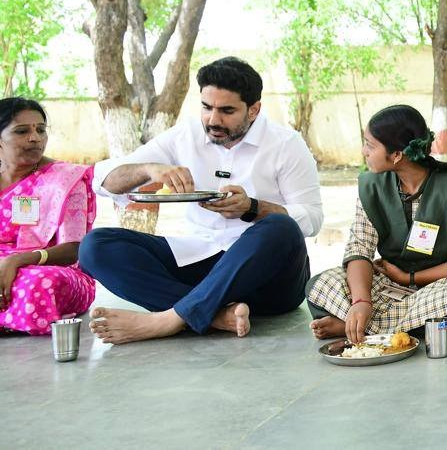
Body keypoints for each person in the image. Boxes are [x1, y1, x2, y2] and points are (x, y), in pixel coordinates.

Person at [80, 57, 323, 344]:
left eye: (227, 111)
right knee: (95, 246)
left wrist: (253, 208)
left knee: (281, 227)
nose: (213, 120)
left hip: (267, 280)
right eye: (207, 107)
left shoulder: (285, 144)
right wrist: (149, 169)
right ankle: (216, 316)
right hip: (200, 259)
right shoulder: (185, 135)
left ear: (254, 110)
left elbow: (312, 219)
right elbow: (103, 180)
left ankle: (168, 320)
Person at [307, 104, 447, 343]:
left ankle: (357, 326)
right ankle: (428, 326)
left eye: (370, 145)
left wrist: (409, 278)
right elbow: (359, 250)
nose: (364, 151)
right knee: (318, 286)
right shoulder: (372, 186)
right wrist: (361, 301)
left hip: (440, 286)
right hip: (388, 286)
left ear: (397, 155)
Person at [0, 97, 97, 335]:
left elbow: (74, 249)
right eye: (22, 131)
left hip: (50, 268)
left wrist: (16, 261)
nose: (35, 138)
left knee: (39, 284)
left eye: (41, 130)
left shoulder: (65, 179)